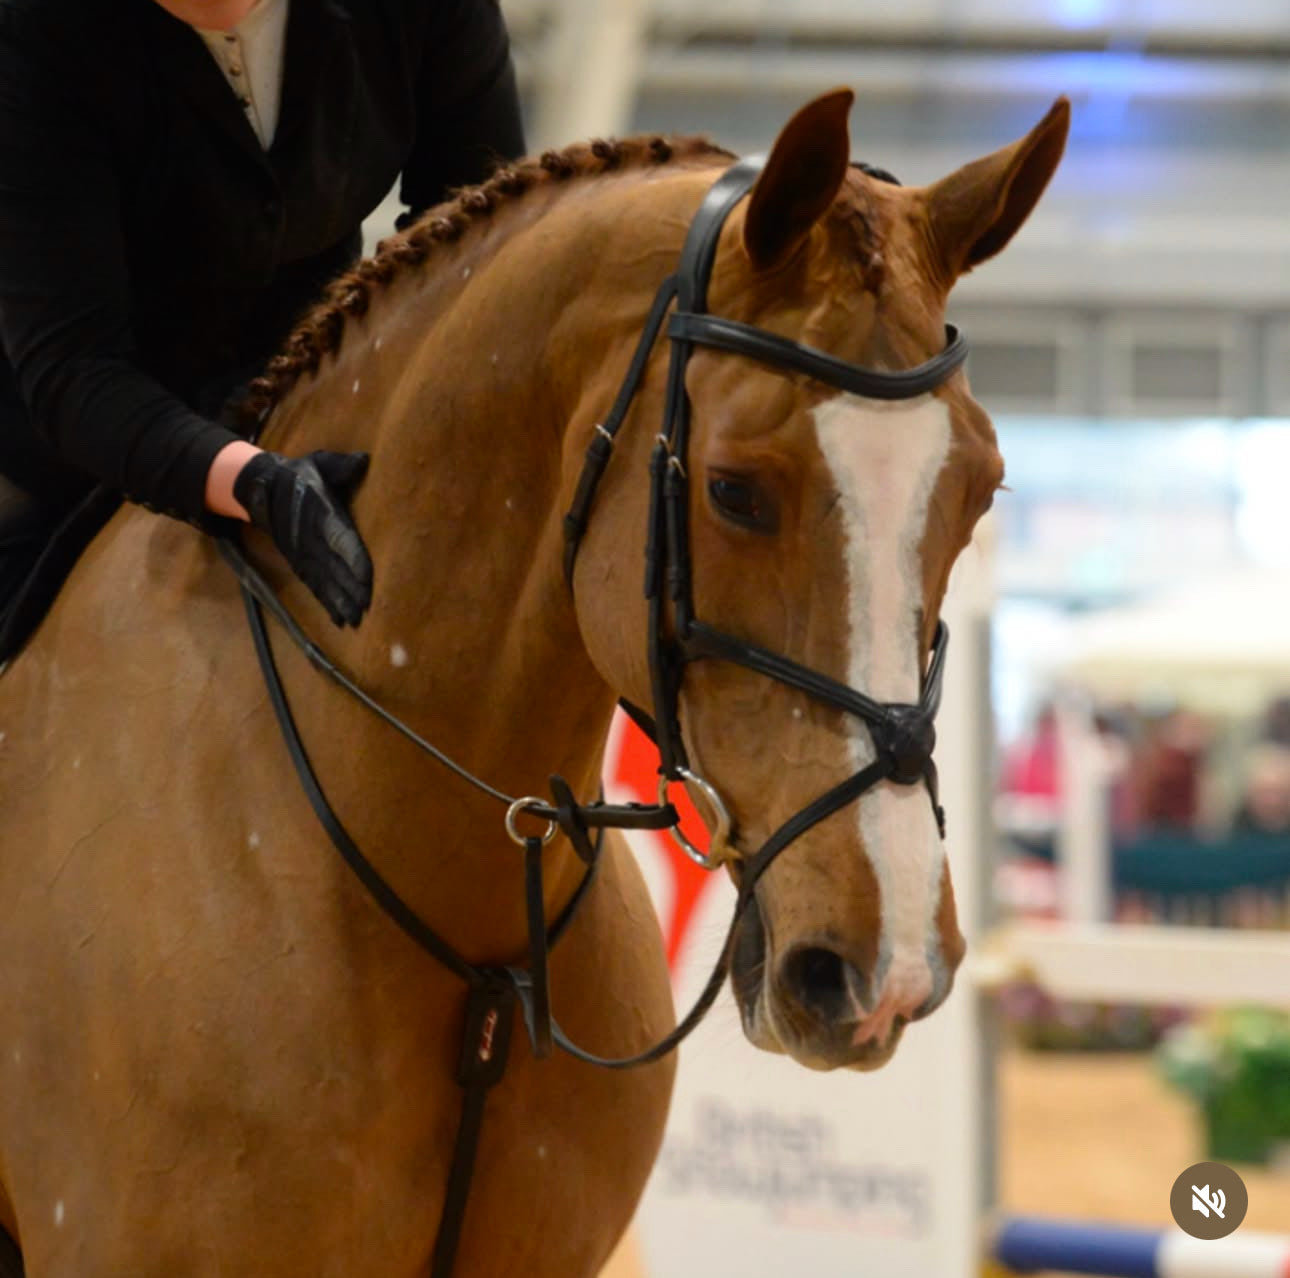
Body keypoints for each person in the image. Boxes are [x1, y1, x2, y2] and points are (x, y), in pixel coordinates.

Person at [0, 0, 525, 637]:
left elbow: (477, 248)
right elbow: (74, 367)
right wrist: (252, 482)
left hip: (302, 398)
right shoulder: (31, 34)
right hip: (49, 447)